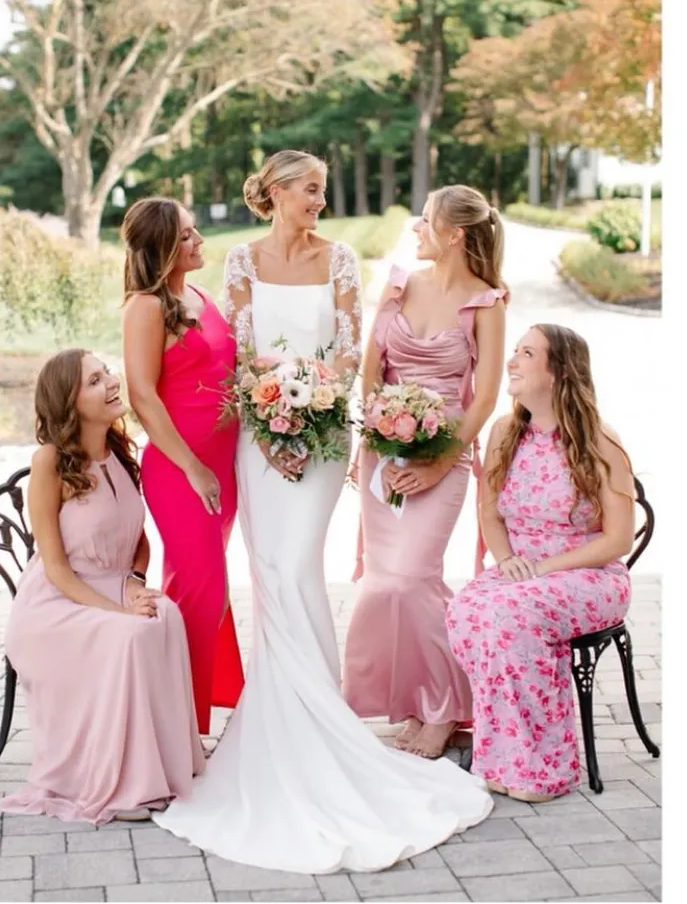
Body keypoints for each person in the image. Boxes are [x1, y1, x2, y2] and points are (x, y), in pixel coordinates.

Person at [154, 150, 492, 873]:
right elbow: (238, 356)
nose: (319, 200)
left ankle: (322, 720)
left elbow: (346, 353)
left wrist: (309, 409)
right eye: (310, 189)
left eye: (323, 190)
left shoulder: (339, 259)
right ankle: (283, 722)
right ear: (277, 191)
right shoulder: (239, 261)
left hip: (323, 436)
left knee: (299, 563)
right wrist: (268, 424)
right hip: (257, 439)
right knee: (269, 570)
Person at [0, 350, 204, 825]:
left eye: (106, 372)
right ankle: (121, 784)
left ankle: (164, 766)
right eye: (94, 380)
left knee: (165, 614)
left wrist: (134, 586)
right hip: (54, 604)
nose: (112, 382)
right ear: (69, 402)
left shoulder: (120, 454)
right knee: (130, 633)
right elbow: (55, 568)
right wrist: (117, 611)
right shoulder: (50, 462)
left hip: (112, 587)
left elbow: (139, 541)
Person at [343, 185, 507, 760]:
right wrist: (377, 439)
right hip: (384, 453)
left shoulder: (486, 303)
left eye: (425, 220)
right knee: (385, 585)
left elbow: (485, 398)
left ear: (454, 234)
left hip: (445, 453)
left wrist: (437, 464)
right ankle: (415, 701)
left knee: (413, 579)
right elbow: (371, 372)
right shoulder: (399, 285)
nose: (415, 228)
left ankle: (446, 707)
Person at [446, 324, 634, 802]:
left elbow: (617, 539)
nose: (511, 361)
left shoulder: (600, 442)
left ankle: (542, 769)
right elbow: (489, 513)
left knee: (513, 615)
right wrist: (506, 558)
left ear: (558, 372)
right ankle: (501, 757)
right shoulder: (505, 432)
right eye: (515, 351)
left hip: (589, 575)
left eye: (527, 354)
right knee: (466, 609)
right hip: (523, 572)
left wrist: (547, 569)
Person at [123, 197, 244, 736]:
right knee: (199, 590)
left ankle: (193, 713)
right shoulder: (145, 307)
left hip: (222, 468)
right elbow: (142, 397)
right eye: (188, 236)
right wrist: (193, 468)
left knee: (208, 591)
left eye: (196, 232)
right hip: (181, 471)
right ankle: (177, 728)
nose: (199, 242)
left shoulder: (199, 295)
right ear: (162, 247)